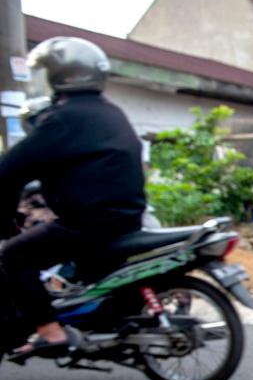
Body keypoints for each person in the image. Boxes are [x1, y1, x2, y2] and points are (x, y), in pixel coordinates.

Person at [0, 37, 146, 361]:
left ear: (60, 75)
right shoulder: (110, 112)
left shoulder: (63, 118)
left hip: (89, 224)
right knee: (81, 274)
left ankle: (49, 331)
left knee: (14, 255)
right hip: (126, 218)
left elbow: (10, 169)